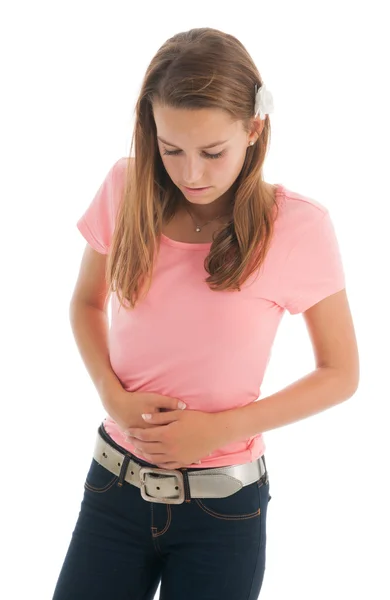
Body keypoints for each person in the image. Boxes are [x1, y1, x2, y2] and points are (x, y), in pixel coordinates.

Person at [52, 27, 359, 600]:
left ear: (254, 128)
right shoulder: (124, 189)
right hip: (113, 491)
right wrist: (111, 396)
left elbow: (341, 374)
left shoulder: (298, 227)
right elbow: (86, 303)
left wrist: (219, 430)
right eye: (171, 150)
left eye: (212, 152)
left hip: (224, 511)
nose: (191, 173)